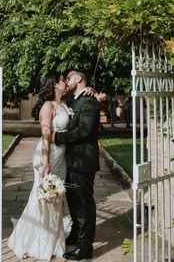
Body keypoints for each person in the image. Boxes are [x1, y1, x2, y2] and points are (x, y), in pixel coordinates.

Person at [8, 73, 72, 260]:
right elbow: (45, 134)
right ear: (54, 85)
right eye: (62, 80)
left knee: (56, 198)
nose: (65, 82)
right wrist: (45, 162)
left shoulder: (64, 105)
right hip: (47, 155)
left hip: (61, 157)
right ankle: (37, 240)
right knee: (43, 198)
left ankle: (53, 240)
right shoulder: (48, 106)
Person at [53, 70, 100, 260]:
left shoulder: (88, 100)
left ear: (79, 79)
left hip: (84, 162)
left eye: (69, 77)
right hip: (72, 161)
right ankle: (76, 233)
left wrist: (59, 138)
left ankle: (85, 247)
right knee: (72, 199)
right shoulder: (77, 100)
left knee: (83, 205)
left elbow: (85, 130)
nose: (67, 81)